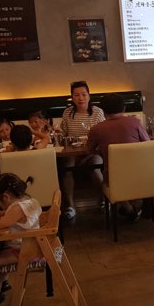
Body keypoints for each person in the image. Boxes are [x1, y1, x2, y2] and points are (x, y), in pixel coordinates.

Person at [0, 173, 42, 306]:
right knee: (0, 250)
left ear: (5, 197)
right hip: (34, 245)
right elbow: (16, 218)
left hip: (26, 251)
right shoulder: (29, 201)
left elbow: (0, 224)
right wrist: (5, 212)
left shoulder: (17, 208)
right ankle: (3, 282)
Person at [60, 80, 106, 220]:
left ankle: (103, 200)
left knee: (96, 167)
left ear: (89, 96)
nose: (81, 98)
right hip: (74, 153)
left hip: (93, 152)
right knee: (67, 168)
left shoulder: (97, 112)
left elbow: (102, 135)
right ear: (72, 97)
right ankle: (70, 206)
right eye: (76, 95)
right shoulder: (68, 113)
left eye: (84, 94)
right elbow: (63, 134)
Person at [86, 93, 150, 168]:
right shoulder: (135, 122)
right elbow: (148, 144)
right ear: (124, 108)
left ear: (102, 111)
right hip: (139, 169)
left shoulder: (96, 129)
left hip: (112, 172)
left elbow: (89, 150)